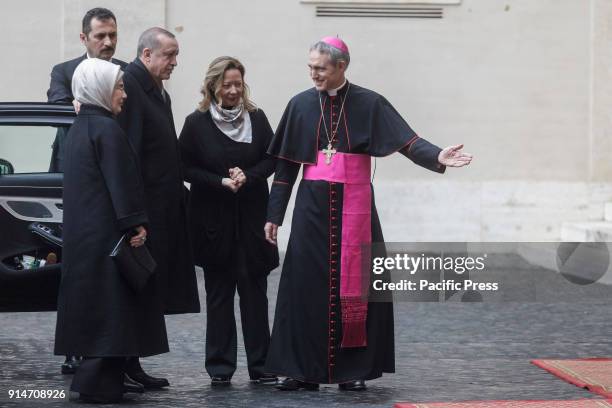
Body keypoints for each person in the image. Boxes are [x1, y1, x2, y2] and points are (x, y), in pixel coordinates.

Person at [264, 37, 473, 391]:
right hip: (311, 211)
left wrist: (437, 156)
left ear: (341, 66)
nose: (313, 74)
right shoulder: (299, 105)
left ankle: (353, 369)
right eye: (311, 67)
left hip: (356, 207)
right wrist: (274, 215)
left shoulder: (370, 103)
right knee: (303, 287)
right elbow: (285, 168)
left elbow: (406, 141)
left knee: (358, 284)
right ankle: (300, 369)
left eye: (321, 68)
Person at [54, 58, 168, 404]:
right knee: (112, 313)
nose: (125, 95)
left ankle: (104, 380)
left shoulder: (78, 128)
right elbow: (122, 185)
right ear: (101, 89)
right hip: (110, 237)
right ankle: (98, 384)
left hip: (86, 237)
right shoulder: (107, 130)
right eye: (119, 87)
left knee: (96, 310)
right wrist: (136, 225)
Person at [178, 56, 279, 386]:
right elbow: (183, 167)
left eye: (238, 84)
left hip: (252, 222)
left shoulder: (257, 118)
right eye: (227, 84)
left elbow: (272, 158)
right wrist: (219, 181)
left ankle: (261, 365)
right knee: (219, 297)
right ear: (213, 86)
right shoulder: (196, 123)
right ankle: (220, 368)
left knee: (255, 295)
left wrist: (248, 176)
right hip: (213, 224)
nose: (234, 90)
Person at [117, 27, 200, 389]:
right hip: (145, 213)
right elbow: (129, 154)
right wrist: (135, 217)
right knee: (134, 290)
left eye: (175, 54)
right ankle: (121, 365)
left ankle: (132, 363)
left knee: (148, 291)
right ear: (147, 54)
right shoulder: (131, 87)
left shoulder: (156, 89)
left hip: (163, 208)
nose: (175, 62)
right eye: (169, 55)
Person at [47, 7, 126, 174]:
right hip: (73, 166)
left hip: (118, 165)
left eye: (112, 35)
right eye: (100, 36)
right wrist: (72, 103)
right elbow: (56, 110)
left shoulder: (128, 72)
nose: (108, 42)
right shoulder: (64, 71)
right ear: (83, 38)